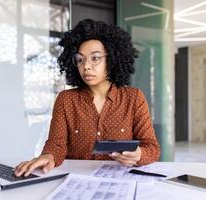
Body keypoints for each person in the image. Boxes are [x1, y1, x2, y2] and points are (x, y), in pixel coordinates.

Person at [14, 19, 160, 177]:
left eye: (95, 58)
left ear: (111, 59)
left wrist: (139, 155)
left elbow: (152, 148)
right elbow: (56, 144)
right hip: (76, 181)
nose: (86, 66)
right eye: (80, 59)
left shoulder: (134, 98)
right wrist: (48, 157)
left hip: (120, 181)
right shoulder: (66, 100)